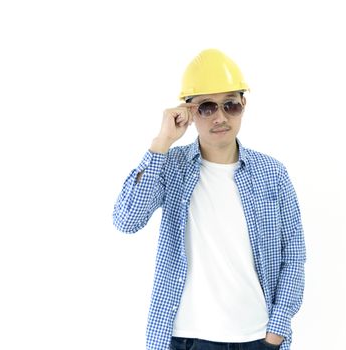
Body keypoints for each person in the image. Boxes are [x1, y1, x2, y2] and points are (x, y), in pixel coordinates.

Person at [113, 49, 306, 350]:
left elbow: (293, 256)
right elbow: (126, 220)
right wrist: (161, 143)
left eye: (231, 105)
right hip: (187, 340)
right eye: (206, 107)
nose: (220, 117)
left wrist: (276, 332)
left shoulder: (272, 173)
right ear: (188, 112)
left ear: (244, 105)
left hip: (257, 340)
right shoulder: (170, 165)